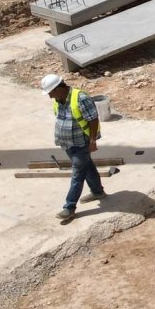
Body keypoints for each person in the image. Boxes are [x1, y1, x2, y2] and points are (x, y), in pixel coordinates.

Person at [40, 73, 104, 223]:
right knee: (87, 167)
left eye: (50, 93)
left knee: (77, 174)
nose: (50, 97)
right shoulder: (58, 99)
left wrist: (93, 140)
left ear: (59, 88)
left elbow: (93, 119)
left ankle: (69, 207)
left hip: (82, 143)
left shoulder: (80, 98)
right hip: (68, 143)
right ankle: (98, 191)